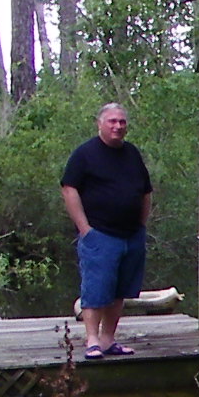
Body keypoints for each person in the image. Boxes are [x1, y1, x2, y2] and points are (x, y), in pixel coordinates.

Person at [60, 102, 153, 358]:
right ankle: (92, 340)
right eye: (112, 121)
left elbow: (146, 192)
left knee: (120, 290)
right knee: (96, 289)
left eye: (122, 122)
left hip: (131, 235)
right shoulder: (85, 154)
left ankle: (108, 340)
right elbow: (69, 189)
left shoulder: (132, 154)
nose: (118, 126)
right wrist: (84, 228)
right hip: (99, 234)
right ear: (100, 123)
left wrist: (141, 225)